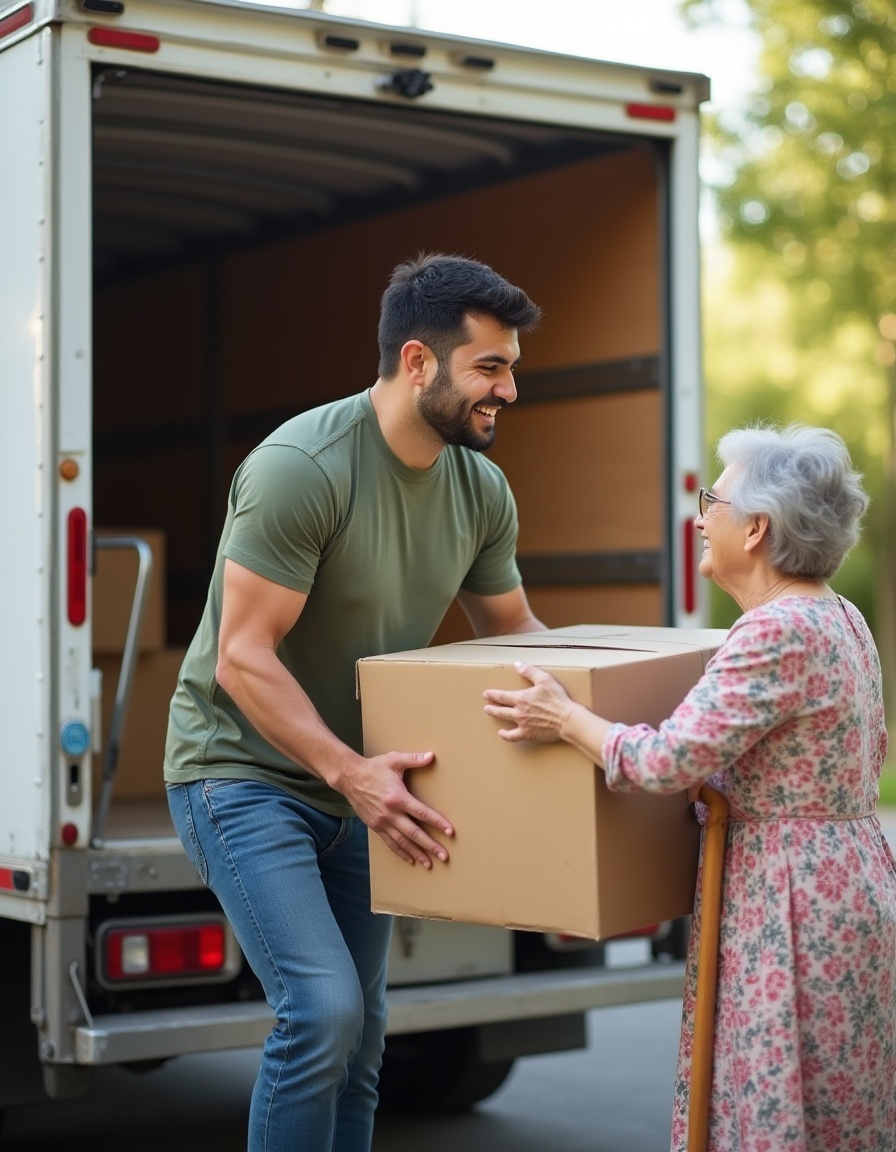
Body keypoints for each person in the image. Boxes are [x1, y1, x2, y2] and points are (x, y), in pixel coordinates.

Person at [164, 252, 547, 1152]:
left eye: (512, 368)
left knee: (366, 1032)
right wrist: (353, 775)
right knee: (324, 1012)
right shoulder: (304, 467)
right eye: (490, 367)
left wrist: (615, 735)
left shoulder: (480, 489)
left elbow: (518, 637)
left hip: (362, 784)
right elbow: (241, 659)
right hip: (243, 774)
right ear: (418, 362)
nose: (509, 391)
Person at [483, 423, 896, 1152]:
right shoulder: (841, 616)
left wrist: (564, 716)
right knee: (838, 1104)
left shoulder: (775, 631)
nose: (701, 517)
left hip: (789, 898)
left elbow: (662, 762)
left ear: (758, 529)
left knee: (772, 1103)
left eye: (715, 500)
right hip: (855, 880)